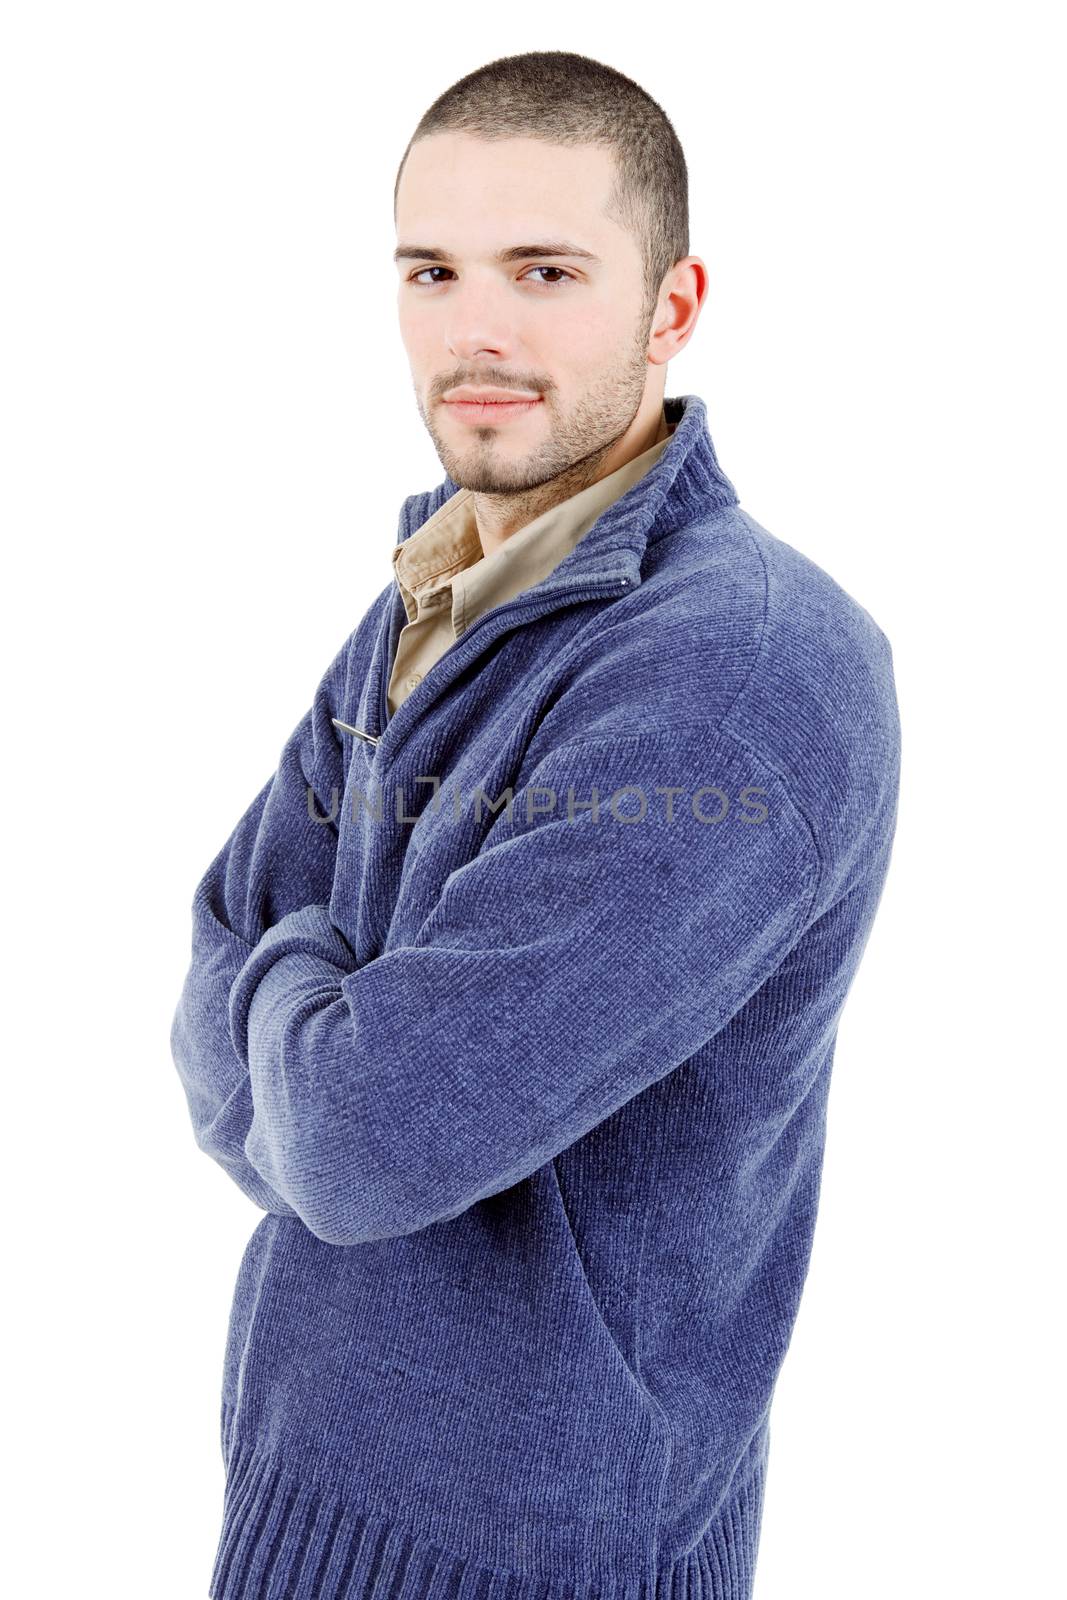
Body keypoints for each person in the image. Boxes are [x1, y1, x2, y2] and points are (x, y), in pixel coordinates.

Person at [171, 49, 901, 1600]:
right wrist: (324, 1021)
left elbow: (362, 1136)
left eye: (546, 271)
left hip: (538, 1559)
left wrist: (300, 995)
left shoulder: (739, 674)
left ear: (673, 306)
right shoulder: (445, 584)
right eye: (432, 271)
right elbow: (206, 1017)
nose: (476, 331)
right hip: (302, 1497)